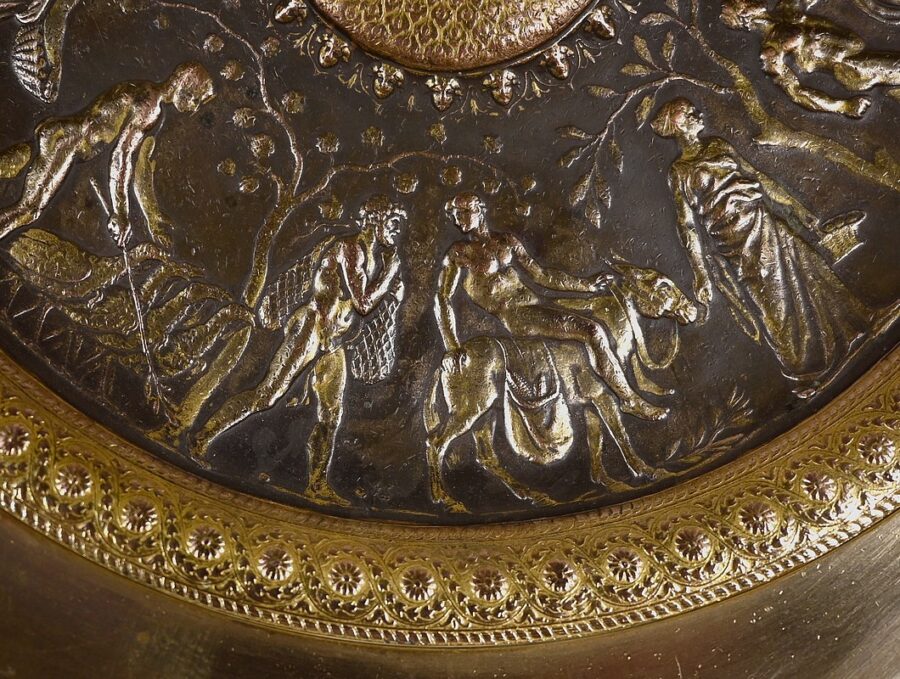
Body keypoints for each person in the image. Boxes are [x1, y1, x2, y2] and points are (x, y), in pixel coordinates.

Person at [192, 195, 407, 503]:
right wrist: (388, 276)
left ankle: (317, 484)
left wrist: (390, 290)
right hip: (312, 328)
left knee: (331, 413)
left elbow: (362, 303)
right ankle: (202, 438)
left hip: (334, 339)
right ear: (376, 221)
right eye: (393, 223)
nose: (396, 230)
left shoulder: (371, 256)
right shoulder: (350, 249)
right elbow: (362, 303)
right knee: (268, 394)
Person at [651, 97, 871, 389]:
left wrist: (798, 210)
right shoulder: (679, 172)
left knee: (808, 268)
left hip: (761, 219)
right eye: (689, 113)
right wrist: (701, 274)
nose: (697, 113)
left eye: (694, 109)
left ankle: (855, 325)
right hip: (735, 239)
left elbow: (758, 178)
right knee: (773, 301)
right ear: (678, 125)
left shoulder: (718, 145)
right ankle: (804, 371)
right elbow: (687, 225)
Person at [434, 192, 667, 421]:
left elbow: (541, 275)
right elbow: (442, 297)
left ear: (479, 210)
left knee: (603, 311)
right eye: (454, 215)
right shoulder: (459, 253)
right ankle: (629, 400)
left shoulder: (506, 241)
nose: (457, 219)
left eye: (463, 212)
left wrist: (586, 285)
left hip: (537, 304)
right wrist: (451, 345)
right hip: (518, 316)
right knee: (593, 331)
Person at [0, 61, 215, 244]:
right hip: (65, 143)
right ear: (185, 86)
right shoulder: (150, 106)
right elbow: (121, 156)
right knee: (29, 210)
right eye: (196, 98)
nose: (194, 107)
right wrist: (120, 212)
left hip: (58, 135)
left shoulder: (145, 89)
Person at [720, 0, 900, 118]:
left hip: (859, 48)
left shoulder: (786, 8)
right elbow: (795, 91)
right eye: (739, 2)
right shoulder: (771, 51)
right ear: (743, 14)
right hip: (852, 67)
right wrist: (842, 106)